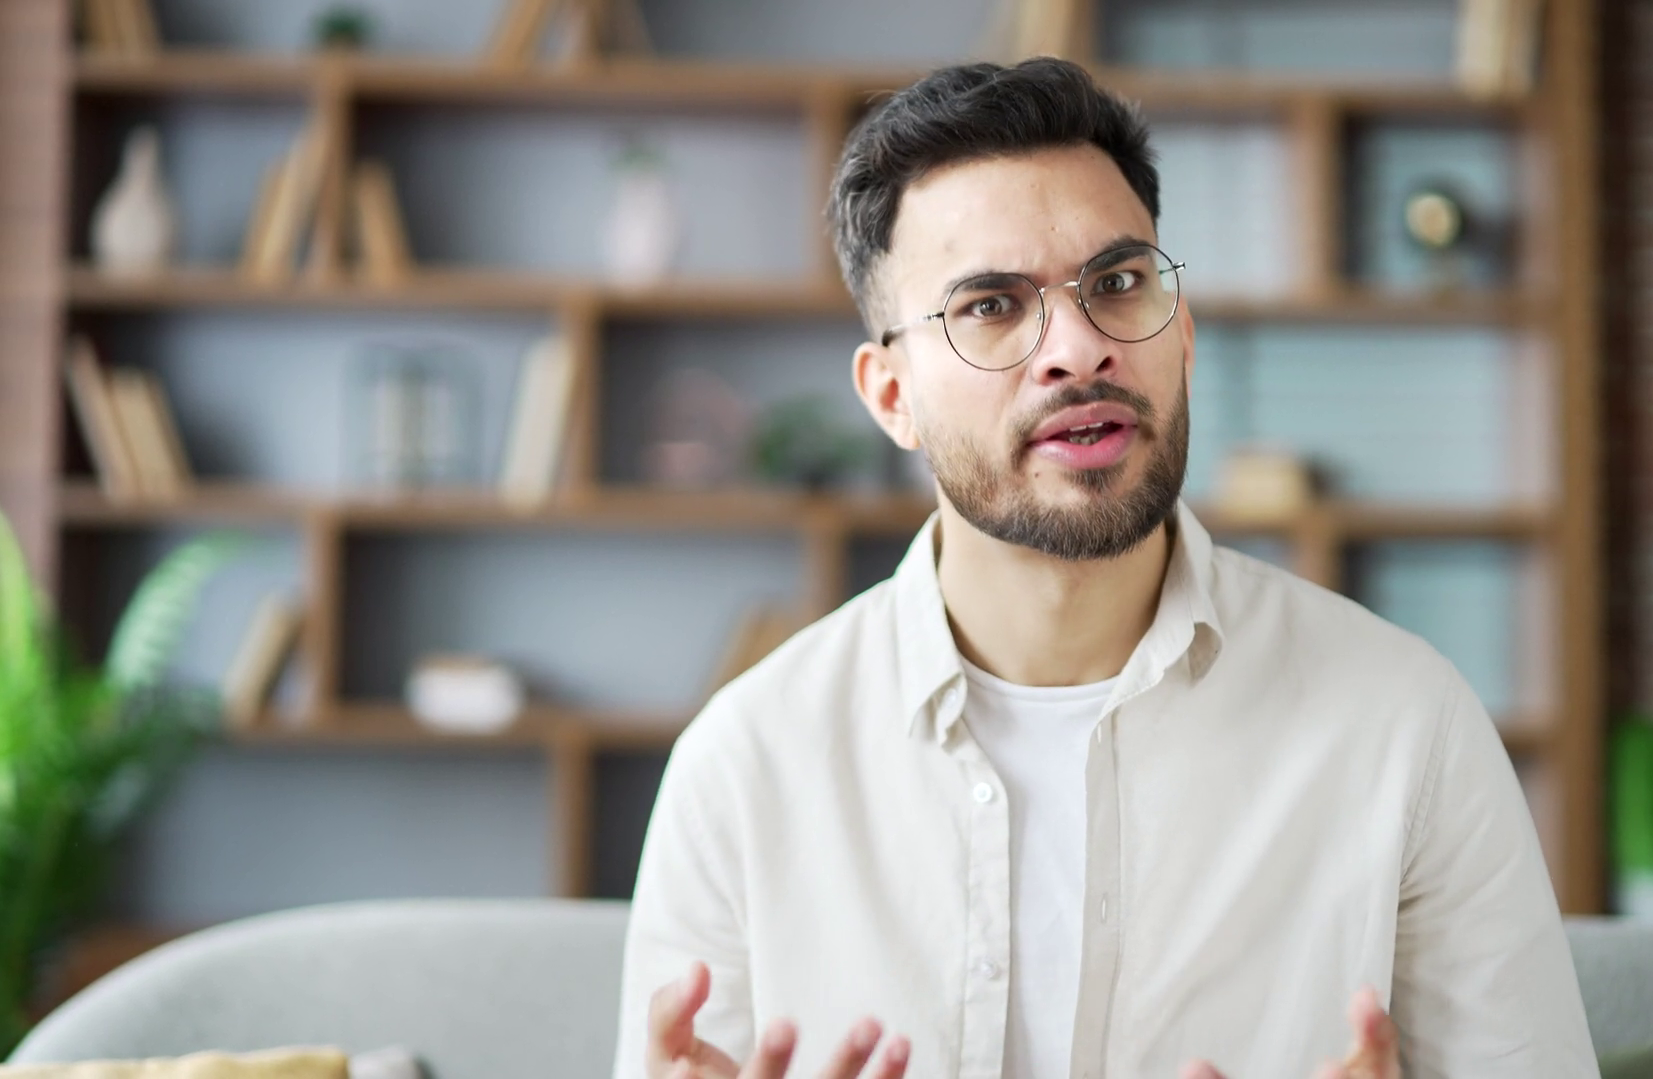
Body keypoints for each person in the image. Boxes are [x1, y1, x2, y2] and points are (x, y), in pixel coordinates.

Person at [613, 57, 1599, 1079]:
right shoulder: (744, 766)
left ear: (1185, 334)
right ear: (892, 395)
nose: (1077, 349)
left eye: (1119, 284)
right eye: (992, 305)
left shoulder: (1405, 726)